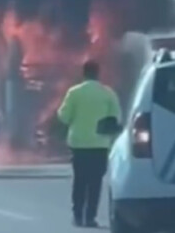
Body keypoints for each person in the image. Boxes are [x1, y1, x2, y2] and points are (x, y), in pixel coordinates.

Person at [57, 60, 121, 228]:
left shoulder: (74, 93)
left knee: (79, 181)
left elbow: (63, 117)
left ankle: (77, 215)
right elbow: (116, 119)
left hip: (79, 144)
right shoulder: (108, 94)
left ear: (83, 73)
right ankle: (90, 217)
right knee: (95, 182)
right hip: (100, 145)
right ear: (98, 73)